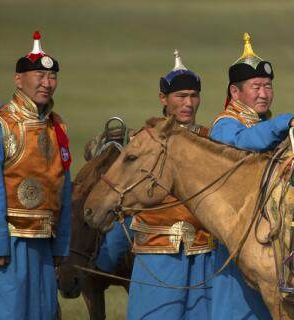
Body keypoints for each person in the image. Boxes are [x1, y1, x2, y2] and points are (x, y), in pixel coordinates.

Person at [93, 50, 216, 319]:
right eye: (180, 96)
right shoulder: (144, 142)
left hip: (204, 254)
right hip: (156, 252)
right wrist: (106, 257)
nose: (188, 103)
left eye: (193, 96)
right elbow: (125, 197)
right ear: (163, 99)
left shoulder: (211, 141)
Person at [0, 31, 72, 320]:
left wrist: (62, 245)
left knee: (41, 310)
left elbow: (63, 188)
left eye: (52, 77)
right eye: (39, 76)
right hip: (8, 240)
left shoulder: (56, 127)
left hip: (43, 240)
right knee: (2, 309)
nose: (46, 84)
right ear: (18, 79)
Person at [210, 32, 294, 319]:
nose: (263, 93)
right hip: (237, 237)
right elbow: (245, 142)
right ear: (235, 93)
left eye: (268, 86)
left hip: (267, 233)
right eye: (256, 86)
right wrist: (287, 121)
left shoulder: (264, 124)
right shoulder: (225, 125)